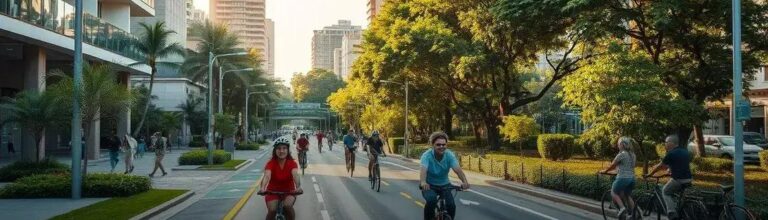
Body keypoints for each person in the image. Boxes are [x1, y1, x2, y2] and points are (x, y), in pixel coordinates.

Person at [419, 131, 470, 220]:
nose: (441, 147)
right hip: (429, 185)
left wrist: (465, 182)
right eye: (438, 145)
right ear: (432, 145)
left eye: (444, 144)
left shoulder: (449, 155)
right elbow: (423, 170)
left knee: (451, 205)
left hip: (445, 185)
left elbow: (458, 170)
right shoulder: (426, 156)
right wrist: (423, 182)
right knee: (431, 201)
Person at [646, 134, 693, 220]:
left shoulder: (671, 153)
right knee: (672, 192)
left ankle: (672, 213)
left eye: (666, 142)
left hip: (679, 180)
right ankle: (677, 208)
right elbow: (678, 164)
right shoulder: (684, 151)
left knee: (665, 191)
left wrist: (650, 174)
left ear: (671, 143)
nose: (665, 144)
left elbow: (660, 166)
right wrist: (670, 171)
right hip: (689, 179)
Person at [259, 137, 302, 220]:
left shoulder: (292, 163)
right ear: (275, 150)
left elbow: (295, 175)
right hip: (272, 192)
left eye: (284, 148)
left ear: (288, 150)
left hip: (289, 191)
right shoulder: (271, 163)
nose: (281, 151)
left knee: (287, 206)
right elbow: (267, 176)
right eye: (278, 148)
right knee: (272, 210)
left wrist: (298, 187)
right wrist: (262, 188)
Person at [599, 137, 637, 217]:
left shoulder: (621, 154)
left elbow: (612, 166)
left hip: (623, 178)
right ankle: (634, 214)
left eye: (618, 144)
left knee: (613, 192)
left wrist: (605, 171)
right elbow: (627, 167)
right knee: (627, 195)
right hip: (632, 179)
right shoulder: (633, 155)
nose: (618, 146)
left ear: (622, 145)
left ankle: (622, 208)